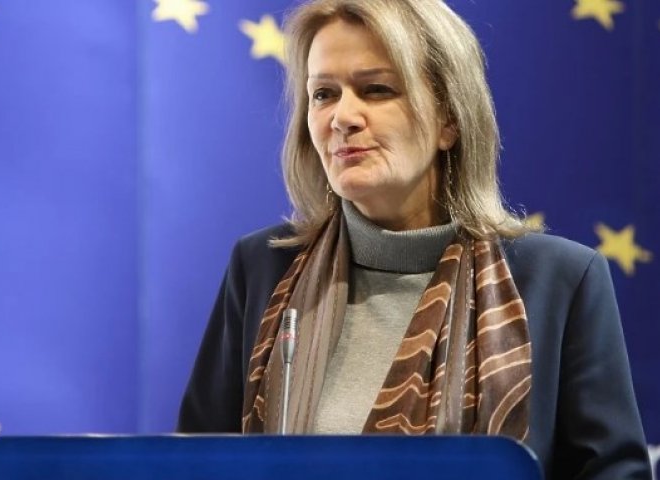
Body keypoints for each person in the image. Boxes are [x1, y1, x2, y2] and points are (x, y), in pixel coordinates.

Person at [177, 0, 652, 478]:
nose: (342, 116)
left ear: (449, 119)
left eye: (376, 90)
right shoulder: (261, 268)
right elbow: (191, 467)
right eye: (323, 94)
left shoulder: (561, 281)